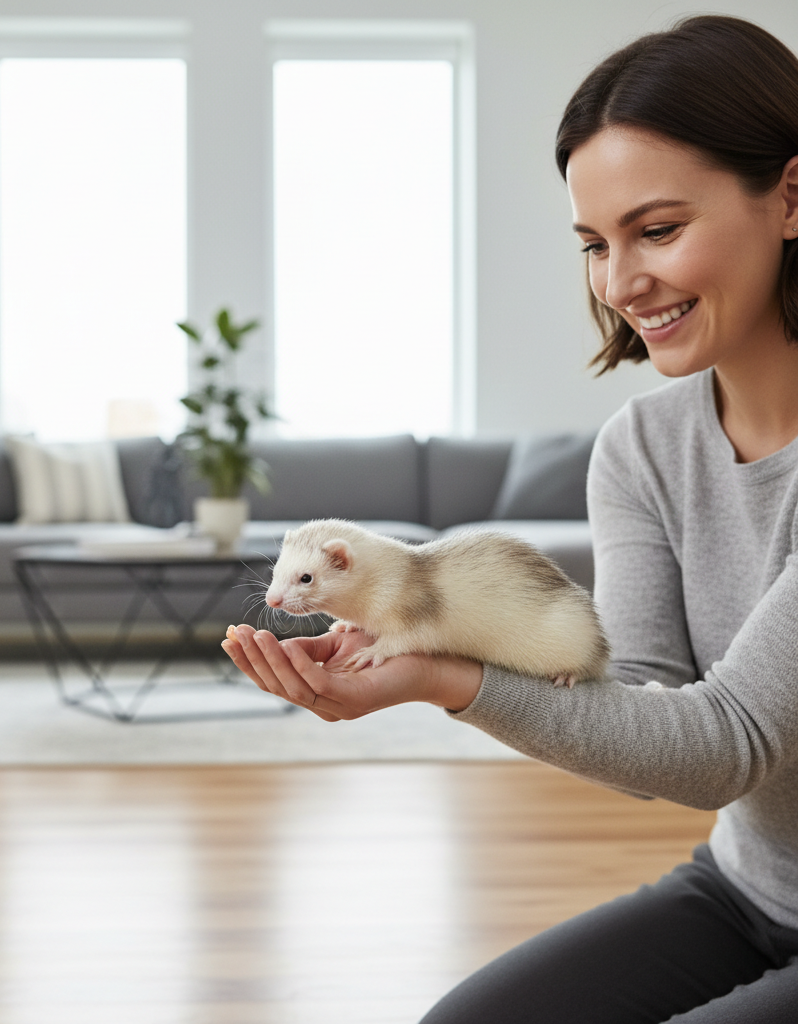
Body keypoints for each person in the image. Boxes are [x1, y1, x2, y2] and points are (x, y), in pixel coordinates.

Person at [221, 14, 798, 1023]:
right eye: (594, 243)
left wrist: (448, 681)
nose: (620, 284)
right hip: (751, 889)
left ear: (790, 195)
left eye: (656, 230)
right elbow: (643, 705)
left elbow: (725, 744)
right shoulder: (643, 448)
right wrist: (433, 663)